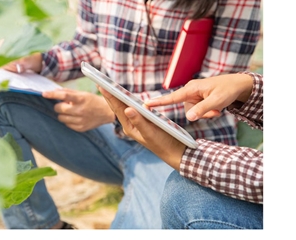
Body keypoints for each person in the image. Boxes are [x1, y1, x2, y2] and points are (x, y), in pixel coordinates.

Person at [0, 0, 263, 229]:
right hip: (106, 134)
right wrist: (37, 60)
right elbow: (89, 45)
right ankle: (43, 228)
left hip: (178, 148)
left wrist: (111, 110)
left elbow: (212, 96)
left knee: (173, 206)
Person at [98, 71, 263, 229]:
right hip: (127, 141)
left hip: (207, 140)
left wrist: (183, 155)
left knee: (186, 197)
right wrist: (249, 87)